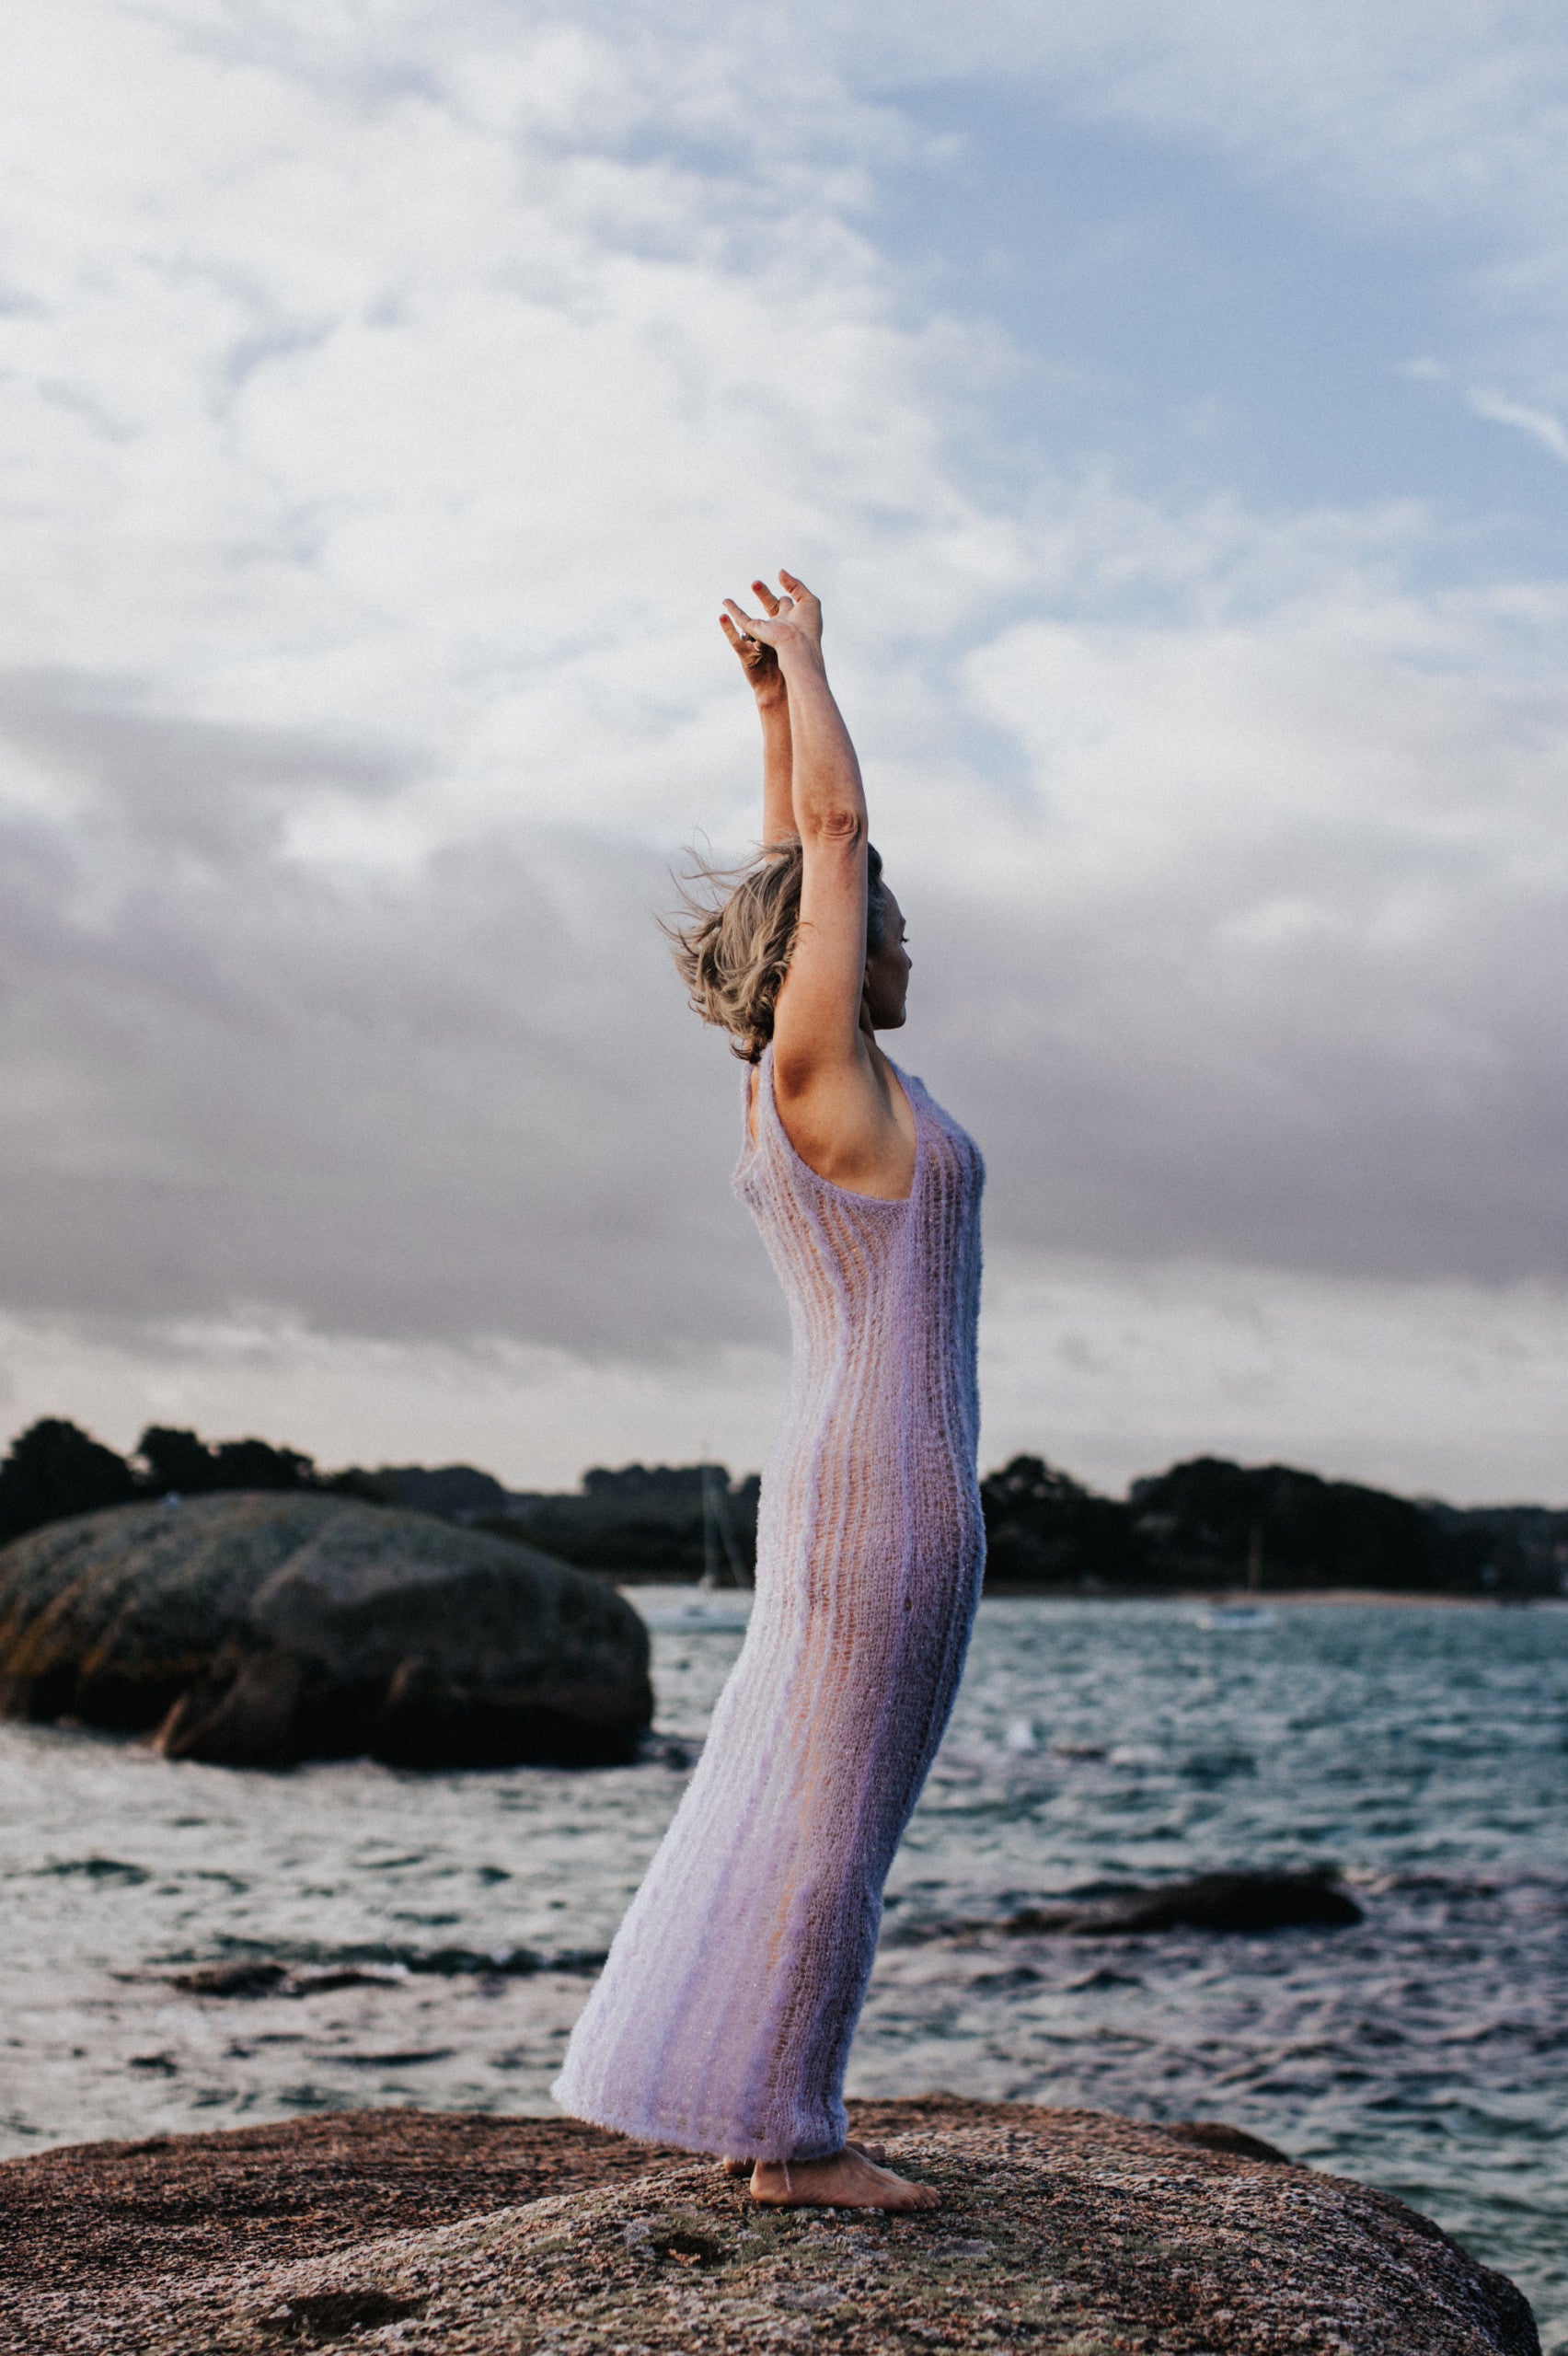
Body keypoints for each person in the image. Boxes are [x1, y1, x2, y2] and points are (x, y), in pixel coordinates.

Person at [552, 572, 986, 2212]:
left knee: (818, 1797)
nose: (893, 925)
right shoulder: (823, 1076)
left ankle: (760, 2104)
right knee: (840, 1821)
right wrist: (814, 666)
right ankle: (794, 2141)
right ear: (824, 954)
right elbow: (831, 839)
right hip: (892, 1484)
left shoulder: (785, 1090)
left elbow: (797, 856)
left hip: (849, 1472)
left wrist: (762, 709)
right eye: (877, 913)